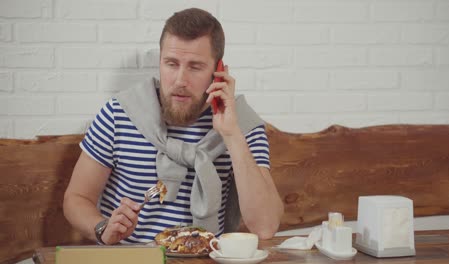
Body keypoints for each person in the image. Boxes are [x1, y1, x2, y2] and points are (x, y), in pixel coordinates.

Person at [63, 8, 284, 245]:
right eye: (171, 64)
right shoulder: (120, 113)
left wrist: (231, 134)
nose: (180, 80)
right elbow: (77, 198)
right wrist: (102, 228)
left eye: (195, 67)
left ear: (218, 71)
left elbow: (265, 226)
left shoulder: (241, 124)